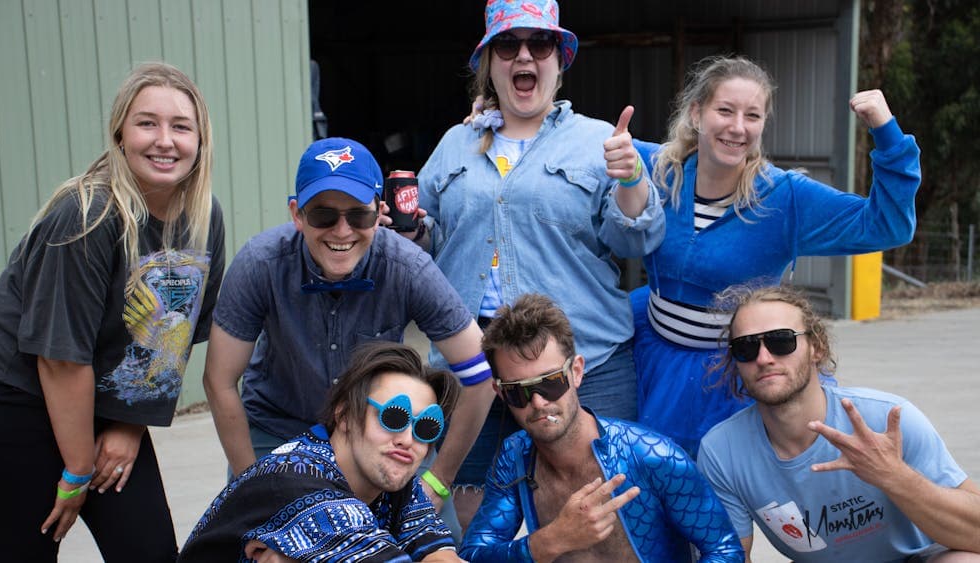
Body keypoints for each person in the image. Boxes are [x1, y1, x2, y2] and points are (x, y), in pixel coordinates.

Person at [414, 0, 665, 528]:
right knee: (466, 509)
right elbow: (427, 242)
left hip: (587, 362)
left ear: (559, 59)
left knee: (599, 510)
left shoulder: (598, 142)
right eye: (509, 45)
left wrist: (631, 181)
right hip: (472, 366)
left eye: (540, 43)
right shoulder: (453, 145)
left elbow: (636, 242)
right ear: (490, 62)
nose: (524, 55)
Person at [0, 62, 224, 562]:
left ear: (200, 140)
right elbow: (60, 359)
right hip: (13, 399)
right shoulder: (86, 214)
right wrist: (76, 473)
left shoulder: (203, 215)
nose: (164, 140)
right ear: (120, 133)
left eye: (181, 126)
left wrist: (127, 426)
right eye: (146, 123)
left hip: (104, 401)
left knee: (149, 550)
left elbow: (169, 339)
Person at [630, 55, 922, 458]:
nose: (737, 127)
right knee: (651, 487)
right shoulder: (657, 169)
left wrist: (886, 134)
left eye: (753, 115)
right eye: (725, 110)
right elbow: (578, 149)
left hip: (735, 377)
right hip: (653, 357)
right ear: (697, 113)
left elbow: (887, 225)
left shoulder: (784, 197)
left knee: (725, 500)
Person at [202, 136, 489, 535]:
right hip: (279, 425)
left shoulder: (408, 268)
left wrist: (439, 481)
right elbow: (219, 380)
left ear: (379, 212)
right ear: (296, 214)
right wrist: (253, 485)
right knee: (254, 543)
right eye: (323, 215)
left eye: (358, 215)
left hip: (384, 425)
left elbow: (480, 375)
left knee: (438, 541)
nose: (342, 231)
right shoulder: (260, 264)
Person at [697, 284, 980, 562]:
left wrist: (893, 475)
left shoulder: (886, 419)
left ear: (816, 348)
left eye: (781, 340)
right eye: (745, 348)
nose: (763, 358)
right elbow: (731, 557)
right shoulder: (722, 452)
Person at [460, 293, 744, 562]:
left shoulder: (652, 456)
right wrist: (552, 540)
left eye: (549, 382)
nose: (538, 401)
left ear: (576, 372)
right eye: (517, 391)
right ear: (499, 392)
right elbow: (472, 555)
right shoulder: (515, 457)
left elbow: (725, 549)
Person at [180, 342, 465, 562]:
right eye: (393, 417)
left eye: (426, 427)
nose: (407, 439)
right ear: (344, 415)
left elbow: (441, 553)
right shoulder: (301, 482)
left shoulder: (392, 477)